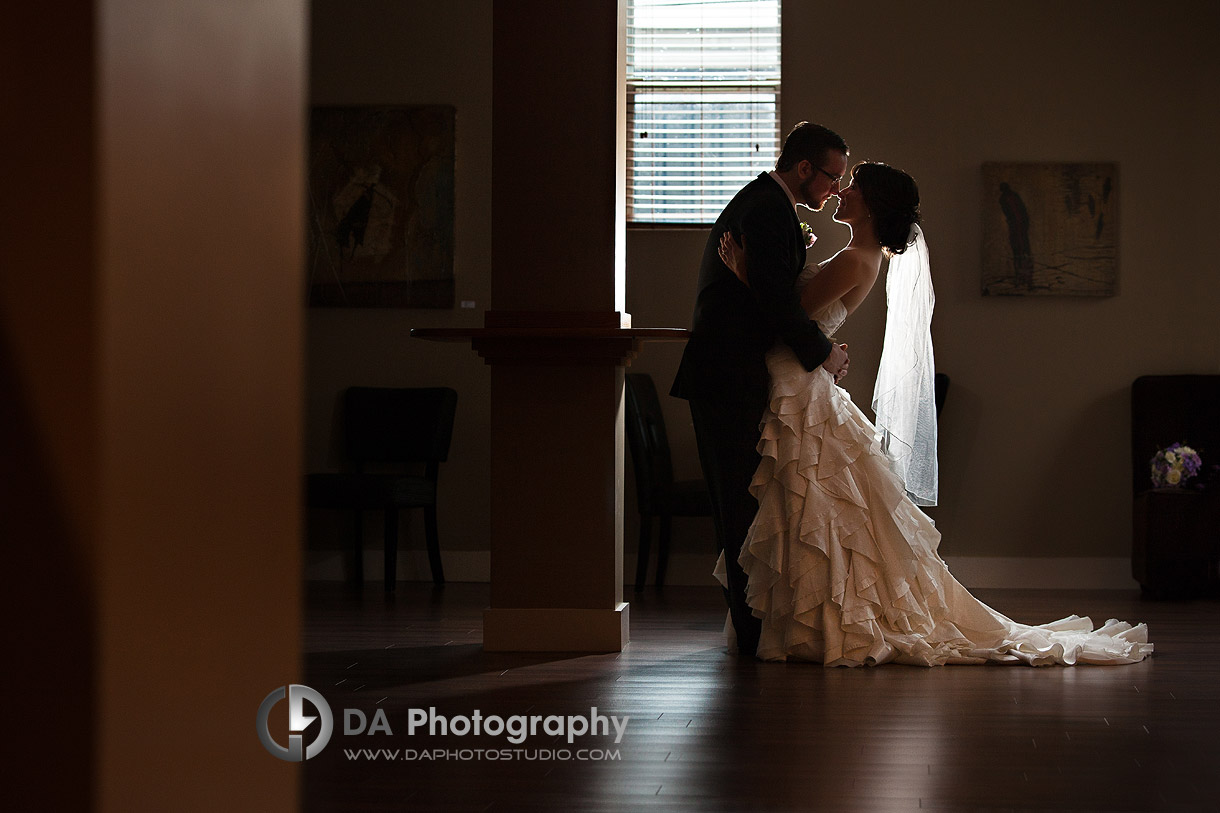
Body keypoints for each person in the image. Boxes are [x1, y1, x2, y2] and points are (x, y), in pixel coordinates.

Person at [713, 161, 1153, 666]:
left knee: (813, 504)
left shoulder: (858, 257)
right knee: (808, 508)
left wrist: (746, 272)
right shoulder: (856, 254)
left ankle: (826, 623)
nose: (841, 191)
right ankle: (805, 619)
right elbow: (796, 311)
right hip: (799, 382)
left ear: (873, 204)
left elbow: (782, 315)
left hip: (800, 389)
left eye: (852, 186)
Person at [670, 122, 852, 659]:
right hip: (727, 378)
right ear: (803, 169)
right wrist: (825, 353)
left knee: (747, 504)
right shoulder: (769, 210)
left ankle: (755, 628)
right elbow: (777, 304)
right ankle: (751, 634)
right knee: (739, 507)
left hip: (732, 375)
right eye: (831, 177)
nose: (836, 189)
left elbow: (768, 294)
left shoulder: (768, 205)